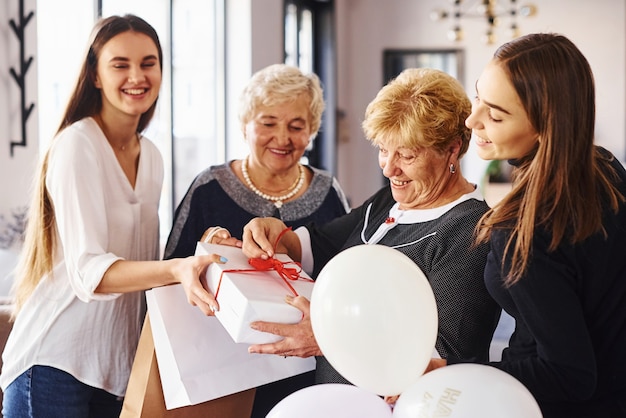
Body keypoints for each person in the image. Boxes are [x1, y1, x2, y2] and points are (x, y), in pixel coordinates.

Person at [0, 15, 224, 418]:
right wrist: (177, 269)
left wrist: (204, 250)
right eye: (120, 64)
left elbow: (139, 257)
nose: (136, 76)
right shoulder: (77, 146)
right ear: (96, 76)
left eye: (148, 63)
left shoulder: (151, 156)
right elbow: (91, 272)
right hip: (55, 363)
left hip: (113, 370)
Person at [239, 68, 501, 388]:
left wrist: (330, 338)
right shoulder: (387, 203)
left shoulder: (471, 231)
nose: (390, 168)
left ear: (453, 149)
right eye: (383, 150)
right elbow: (315, 246)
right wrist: (271, 233)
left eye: (406, 155)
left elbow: (444, 360)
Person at [438, 33, 626, 417]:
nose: (472, 120)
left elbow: (569, 374)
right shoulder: (605, 168)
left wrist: (454, 373)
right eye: (478, 97)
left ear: (545, 125)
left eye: (496, 114)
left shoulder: (524, 227)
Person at [163, 63, 350, 417]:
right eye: (267, 123)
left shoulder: (328, 191)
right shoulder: (209, 187)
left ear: (312, 131)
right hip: (222, 373)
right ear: (245, 124)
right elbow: (172, 268)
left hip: (307, 368)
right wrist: (208, 248)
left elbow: (343, 269)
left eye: (297, 126)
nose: (282, 138)